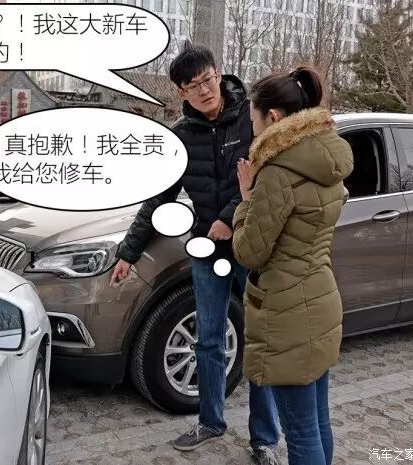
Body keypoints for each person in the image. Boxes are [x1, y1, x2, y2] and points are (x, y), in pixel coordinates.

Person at [110, 43, 280, 465]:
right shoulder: (180, 136)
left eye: (207, 79)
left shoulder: (252, 118)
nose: (204, 90)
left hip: (253, 245)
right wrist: (128, 253)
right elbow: (158, 200)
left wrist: (228, 217)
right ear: (180, 92)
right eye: (192, 85)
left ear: (218, 74)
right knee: (208, 339)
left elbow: (266, 176)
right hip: (207, 249)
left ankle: (264, 440)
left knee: (260, 343)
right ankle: (210, 421)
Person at [233, 66, 353, 465]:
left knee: (300, 433)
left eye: (253, 120)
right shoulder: (326, 161)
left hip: (287, 313)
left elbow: (250, 253)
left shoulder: (278, 173)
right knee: (318, 421)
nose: (252, 130)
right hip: (320, 298)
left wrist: (246, 200)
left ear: (273, 117)